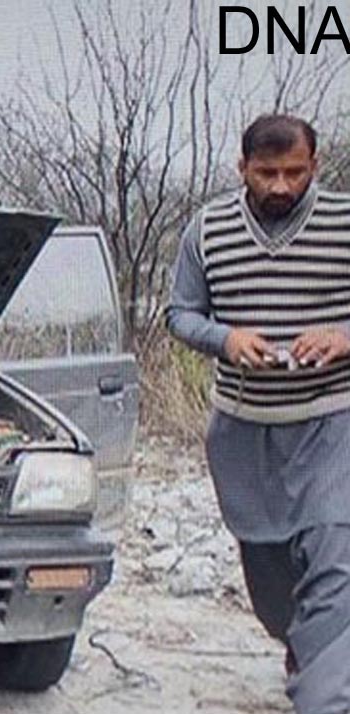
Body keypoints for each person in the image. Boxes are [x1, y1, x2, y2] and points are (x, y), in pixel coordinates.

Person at [168, 114, 350, 713]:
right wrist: (226, 340)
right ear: (242, 168)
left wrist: (343, 336)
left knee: (335, 554)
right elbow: (180, 314)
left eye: (294, 173)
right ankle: (305, 644)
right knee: (272, 578)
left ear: (314, 166)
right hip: (244, 430)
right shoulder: (208, 229)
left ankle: (324, 695)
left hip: (334, 421)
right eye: (266, 173)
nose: (280, 186)